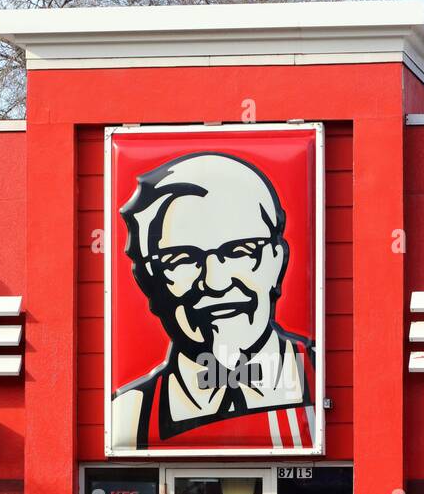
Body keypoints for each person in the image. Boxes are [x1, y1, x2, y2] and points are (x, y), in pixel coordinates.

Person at [111, 151, 316, 450]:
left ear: (276, 261)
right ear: (149, 279)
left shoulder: (322, 382)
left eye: (240, 251)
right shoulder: (128, 416)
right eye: (181, 258)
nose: (216, 282)